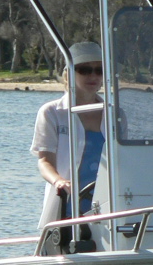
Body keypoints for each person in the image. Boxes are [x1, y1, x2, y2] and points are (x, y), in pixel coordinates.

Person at [31, 42, 109, 232]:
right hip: (66, 203)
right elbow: (44, 161)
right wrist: (59, 181)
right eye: (84, 69)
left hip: (107, 206)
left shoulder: (115, 114)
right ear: (69, 73)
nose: (93, 76)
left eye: (99, 70)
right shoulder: (51, 112)